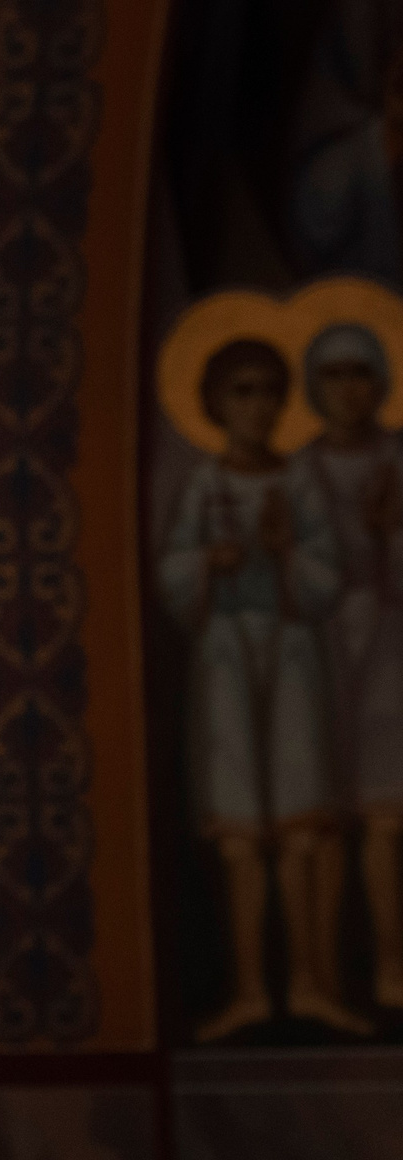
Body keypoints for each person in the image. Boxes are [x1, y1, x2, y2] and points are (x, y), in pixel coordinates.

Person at [159, 336, 357, 1039]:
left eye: (270, 390)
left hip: (295, 652)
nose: (259, 405)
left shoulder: (300, 484)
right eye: (243, 390)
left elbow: (329, 574)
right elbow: (173, 576)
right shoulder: (203, 485)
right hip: (225, 659)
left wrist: (282, 550)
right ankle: (248, 989)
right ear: (214, 403)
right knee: (241, 838)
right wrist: (210, 560)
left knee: (303, 831)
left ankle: (308, 983)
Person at [298, 322, 403, 1010]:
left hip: (392, 641)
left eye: (360, 373)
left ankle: (392, 967)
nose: (348, 389)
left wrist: (386, 534)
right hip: (317, 647)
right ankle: (325, 977)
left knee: (387, 813)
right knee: (325, 819)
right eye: (333, 374)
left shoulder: (398, 461)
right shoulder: (298, 470)